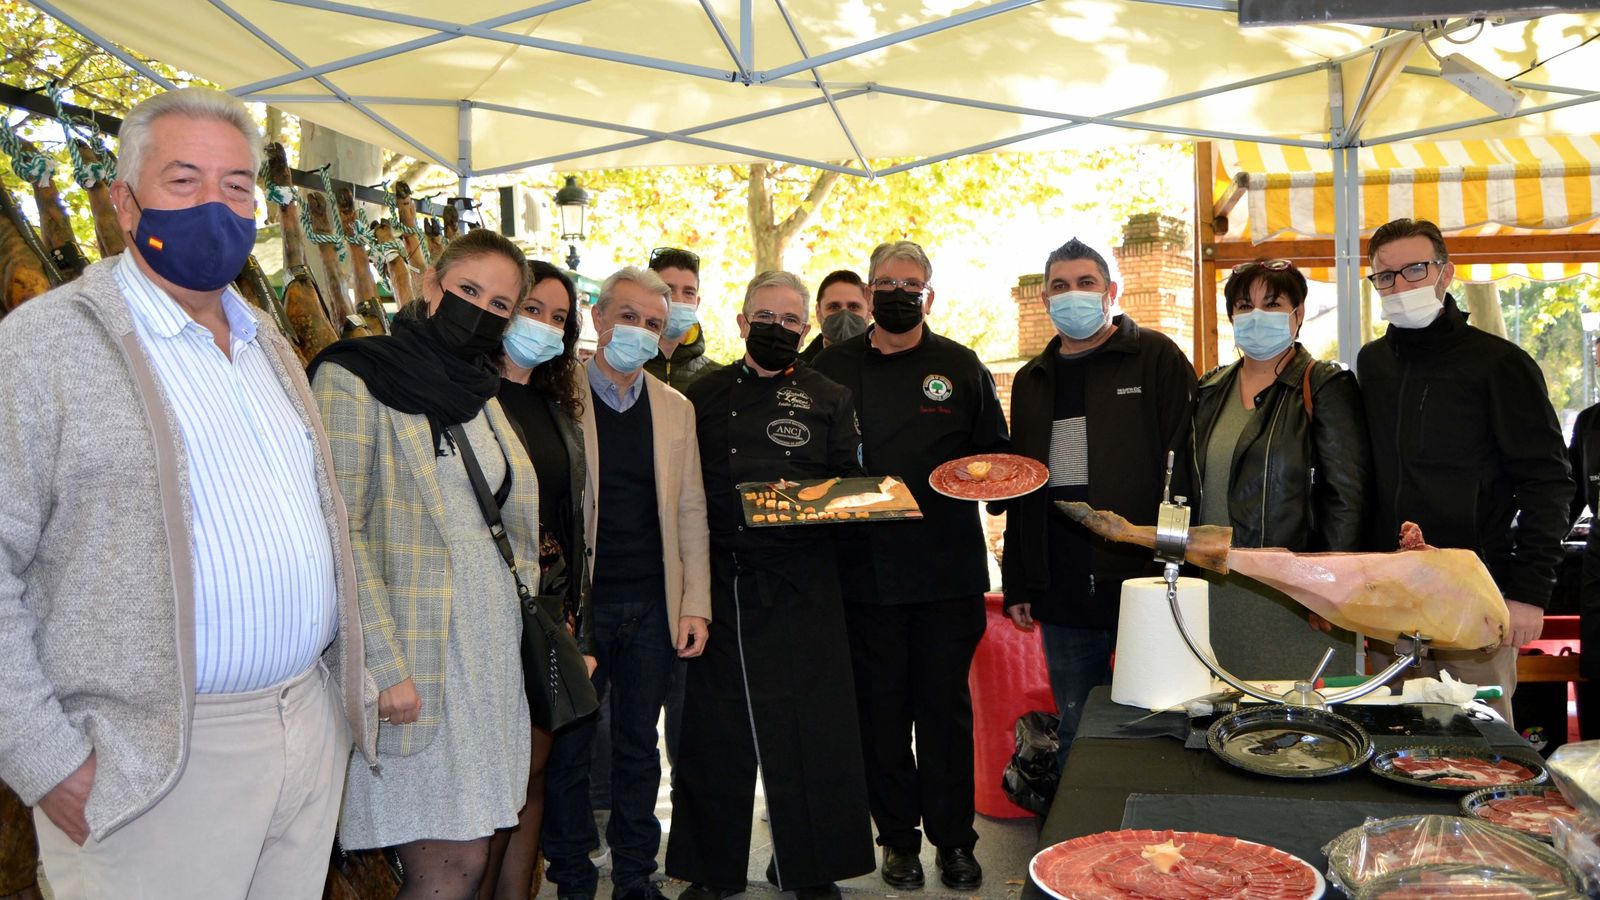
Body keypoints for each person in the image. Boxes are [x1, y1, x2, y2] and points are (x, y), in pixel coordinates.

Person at [0, 87, 368, 900]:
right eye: (184, 181)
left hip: (302, 731)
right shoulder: (43, 344)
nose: (216, 205)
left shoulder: (268, 343)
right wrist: (43, 758)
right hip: (151, 763)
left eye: (236, 186)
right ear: (127, 205)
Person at [311, 229, 537, 899]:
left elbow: (511, 522)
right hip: (417, 661)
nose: (481, 310)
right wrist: (384, 663)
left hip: (488, 660)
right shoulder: (354, 375)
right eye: (468, 291)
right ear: (431, 286)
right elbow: (338, 526)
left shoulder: (481, 391)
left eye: (500, 303)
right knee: (450, 864)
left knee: (472, 852)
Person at [667, 271, 874, 900]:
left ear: (806, 328)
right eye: (766, 316)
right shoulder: (697, 395)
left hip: (804, 580)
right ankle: (712, 870)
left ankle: (808, 871)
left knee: (812, 728)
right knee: (714, 730)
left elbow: (855, 490)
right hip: (723, 578)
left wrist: (804, 503)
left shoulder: (830, 396)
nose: (777, 329)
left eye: (790, 321)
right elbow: (680, 490)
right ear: (741, 321)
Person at [811, 240, 1009, 893]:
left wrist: (983, 479)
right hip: (861, 575)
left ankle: (955, 843)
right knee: (881, 716)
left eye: (910, 282)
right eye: (885, 282)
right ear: (868, 293)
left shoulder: (960, 364)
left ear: (930, 294)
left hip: (947, 576)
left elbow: (995, 458)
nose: (897, 292)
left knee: (944, 714)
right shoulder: (830, 366)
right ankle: (897, 842)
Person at [542, 266, 712, 900]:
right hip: (581, 608)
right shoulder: (559, 395)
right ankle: (572, 876)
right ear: (598, 318)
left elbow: (691, 510)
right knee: (572, 749)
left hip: (652, 604)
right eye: (630, 317)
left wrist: (695, 604)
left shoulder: (676, 410)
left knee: (641, 748)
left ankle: (636, 874)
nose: (640, 331)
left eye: (654, 324)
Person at [1358, 217, 1571, 719]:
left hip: (1475, 595)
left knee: (1477, 751)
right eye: (1385, 276)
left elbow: (1548, 483)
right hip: (1391, 598)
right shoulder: (1372, 365)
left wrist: (1529, 593)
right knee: (1391, 741)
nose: (1400, 285)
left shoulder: (1500, 363)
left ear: (1445, 273)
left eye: (1414, 269)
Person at [999, 238, 1196, 755]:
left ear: (1111, 291)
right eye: (1059, 287)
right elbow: (1025, 487)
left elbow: (1184, 468)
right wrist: (1020, 580)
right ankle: (1083, 835)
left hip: (1144, 580)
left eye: (1086, 284)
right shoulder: (1031, 381)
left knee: (1159, 724)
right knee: (1076, 730)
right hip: (1060, 585)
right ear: (1044, 300)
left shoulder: (1155, 358)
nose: (1073, 295)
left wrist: (1178, 566)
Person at [1192, 259, 1369, 679]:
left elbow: (1347, 497)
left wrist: (1328, 589)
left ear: (1299, 313)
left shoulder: (1324, 385)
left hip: (1298, 598)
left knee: (1306, 732)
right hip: (1216, 596)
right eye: (1244, 305)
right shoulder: (1209, 389)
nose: (1257, 317)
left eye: (1272, 305)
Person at [483, 260, 597, 900]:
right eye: (534, 310)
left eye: (559, 318)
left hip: (547, 616)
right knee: (495, 783)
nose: (546, 326)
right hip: (485, 610)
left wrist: (576, 617)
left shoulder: (559, 406)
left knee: (532, 776)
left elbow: (569, 519)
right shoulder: (466, 397)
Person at [644, 247, 719, 390]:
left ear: (697, 303)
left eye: (688, 292)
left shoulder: (717, 379)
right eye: (668, 290)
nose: (679, 300)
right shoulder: (627, 369)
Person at [799, 269, 871, 362]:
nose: (844, 316)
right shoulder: (796, 372)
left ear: (869, 311)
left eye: (853, 307)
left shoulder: (888, 368)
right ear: (818, 312)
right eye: (834, 307)